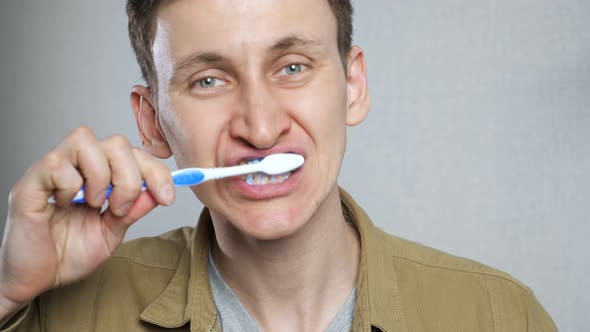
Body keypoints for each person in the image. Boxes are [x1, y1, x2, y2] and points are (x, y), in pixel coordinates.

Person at [0, 0, 557, 331]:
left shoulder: (498, 314)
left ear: (353, 86)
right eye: (209, 80)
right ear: (151, 121)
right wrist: (7, 292)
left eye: (292, 67)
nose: (261, 129)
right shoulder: (58, 313)